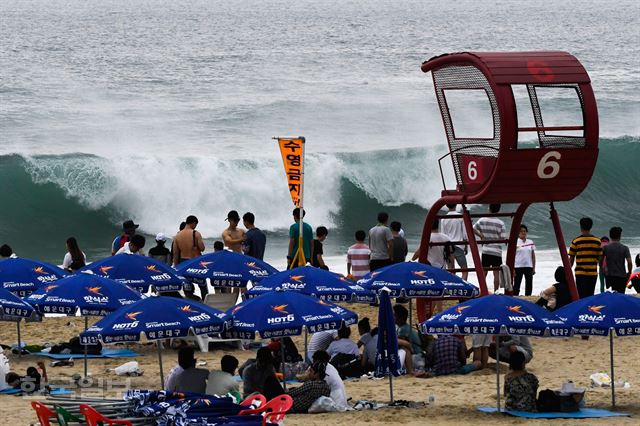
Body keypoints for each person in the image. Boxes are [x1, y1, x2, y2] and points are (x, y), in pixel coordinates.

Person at [473, 204, 506, 292]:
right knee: (496, 273)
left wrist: (481, 235)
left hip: (486, 250)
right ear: (498, 211)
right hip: (496, 251)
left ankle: (482, 291)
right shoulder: (500, 223)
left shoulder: (482, 220)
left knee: (484, 272)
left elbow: (473, 228)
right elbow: (502, 238)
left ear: (489, 208)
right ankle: (496, 292)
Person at [568, 217, 602, 299]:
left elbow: (571, 260)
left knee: (580, 296)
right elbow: (600, 259)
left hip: (580, 274)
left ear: (581, 227)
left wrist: (568, 273)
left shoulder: (576, 241)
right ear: (591, 227)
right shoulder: (597, 241)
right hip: (592, 273)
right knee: (590, 296)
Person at [440, 204, 469, 280]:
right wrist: (466, 246)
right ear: (456, 205)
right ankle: (463, 288)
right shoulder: (460, 217)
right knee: (464, 270)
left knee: (451, 270)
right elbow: (465, 234)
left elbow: (443, 235)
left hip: (448, 246)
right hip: (459, 245)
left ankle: (452, 287)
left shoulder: (443, 219)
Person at [602, 226, 632, 293]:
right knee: (621, 295)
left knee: (612, 295)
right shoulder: (625, 248)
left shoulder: (605, 248)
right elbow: (629, 262)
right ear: (620, 236)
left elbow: (600, 260)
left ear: (610, 235)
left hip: (609, 276)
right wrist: (629, 272)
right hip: (621, 276)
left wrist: (603, 270)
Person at [514, 225, 536, 296]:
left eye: (525, 231)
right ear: (518, 232)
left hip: (528, 266)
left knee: (529, 284)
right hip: (517, 266)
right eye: (521, 231)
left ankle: (528, 297)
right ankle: (515, 298)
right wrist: (512, 269)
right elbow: (512, 256)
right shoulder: (515, 242)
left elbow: (533, 256)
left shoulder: (530, 241)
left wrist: (533, 267)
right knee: (517, 285)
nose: (523, 232)